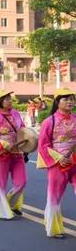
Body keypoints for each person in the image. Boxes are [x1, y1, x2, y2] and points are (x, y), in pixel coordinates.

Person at [37, 89, 76, 238]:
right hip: (58, 165)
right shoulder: (49, 122)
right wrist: (59, 158)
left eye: (71, 99)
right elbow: (43, 146)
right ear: (57, 102)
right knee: (55, 198)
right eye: (66, 99)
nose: (70, 102)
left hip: (75, 163)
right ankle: (53, 228)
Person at [0, 90, 26, 220]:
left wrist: (26, 144)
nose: (9, 101)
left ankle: (9, 202)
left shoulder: (16, 114)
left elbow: (23, 130)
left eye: (9, 98)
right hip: (1, 154)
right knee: (1, 184)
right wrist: (3, 145)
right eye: (6, 99)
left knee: (22, 182)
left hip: (17, 153)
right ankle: (3, 211)